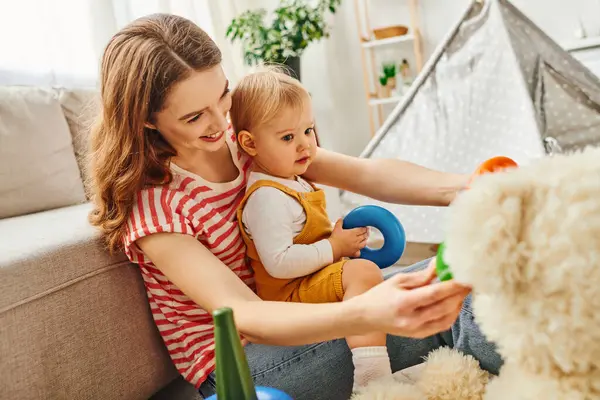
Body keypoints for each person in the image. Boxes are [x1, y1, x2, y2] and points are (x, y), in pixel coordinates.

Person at [87, 13, 502, 400]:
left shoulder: (245, 140)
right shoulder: (158, 206)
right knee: (462, 299)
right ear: (146, 119)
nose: (219, 123)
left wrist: (463, 186)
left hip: (303, 305)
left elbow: (364, 173)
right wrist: (365, 313)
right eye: (195, 116)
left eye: (223, 96)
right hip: (243, 364)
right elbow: (245, 315)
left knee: (472, 269)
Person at [231, 69, 394, 392]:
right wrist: (334, 248)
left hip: (308, 280)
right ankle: (372, 375)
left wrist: (338, 242)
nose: (305, 144)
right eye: (288, 137)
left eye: (308, 130)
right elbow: (279, 262)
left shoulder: (292, 179)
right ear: (250, 143)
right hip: (289, 295)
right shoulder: (266, 197)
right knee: (363, 273)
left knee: (369, 277)